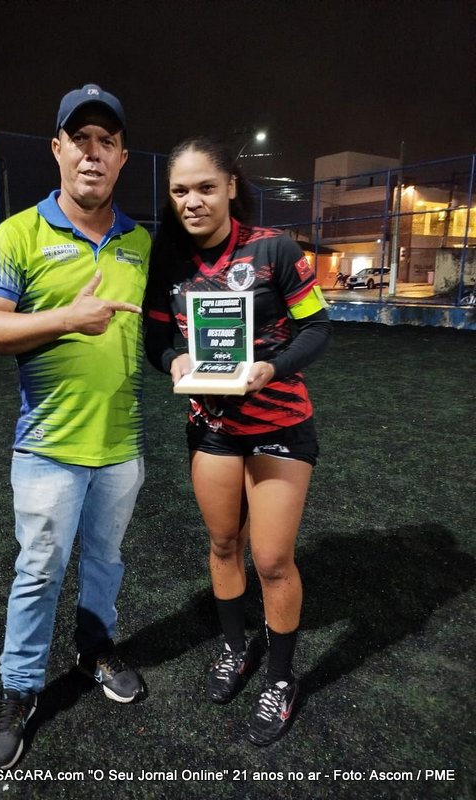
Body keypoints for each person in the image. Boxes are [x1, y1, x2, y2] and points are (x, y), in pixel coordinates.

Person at [0, 84, 151, 769]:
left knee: (106, 561)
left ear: (123, 157)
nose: (93, 153)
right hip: (48, 447)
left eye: (107, 142)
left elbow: (165, 329)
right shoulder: (19, 234)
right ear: (57, 149)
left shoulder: (140, 243)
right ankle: (18, 690)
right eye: (81, 140)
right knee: (39, 570)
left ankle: (95, 650)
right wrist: (68, 318)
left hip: (121, 446)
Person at [144, 136, 332, 746]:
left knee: (272, 560)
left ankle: (280, 678)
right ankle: (235, 647)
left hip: (279, 425)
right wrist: (173, 361)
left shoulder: (274, 248)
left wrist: (271, 368)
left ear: (229, 186)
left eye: (205, 187)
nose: (192, 201)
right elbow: (156, 341)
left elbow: (317, 326)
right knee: (225, 543)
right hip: (213, 429)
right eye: (180, 191)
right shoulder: (168, 261)